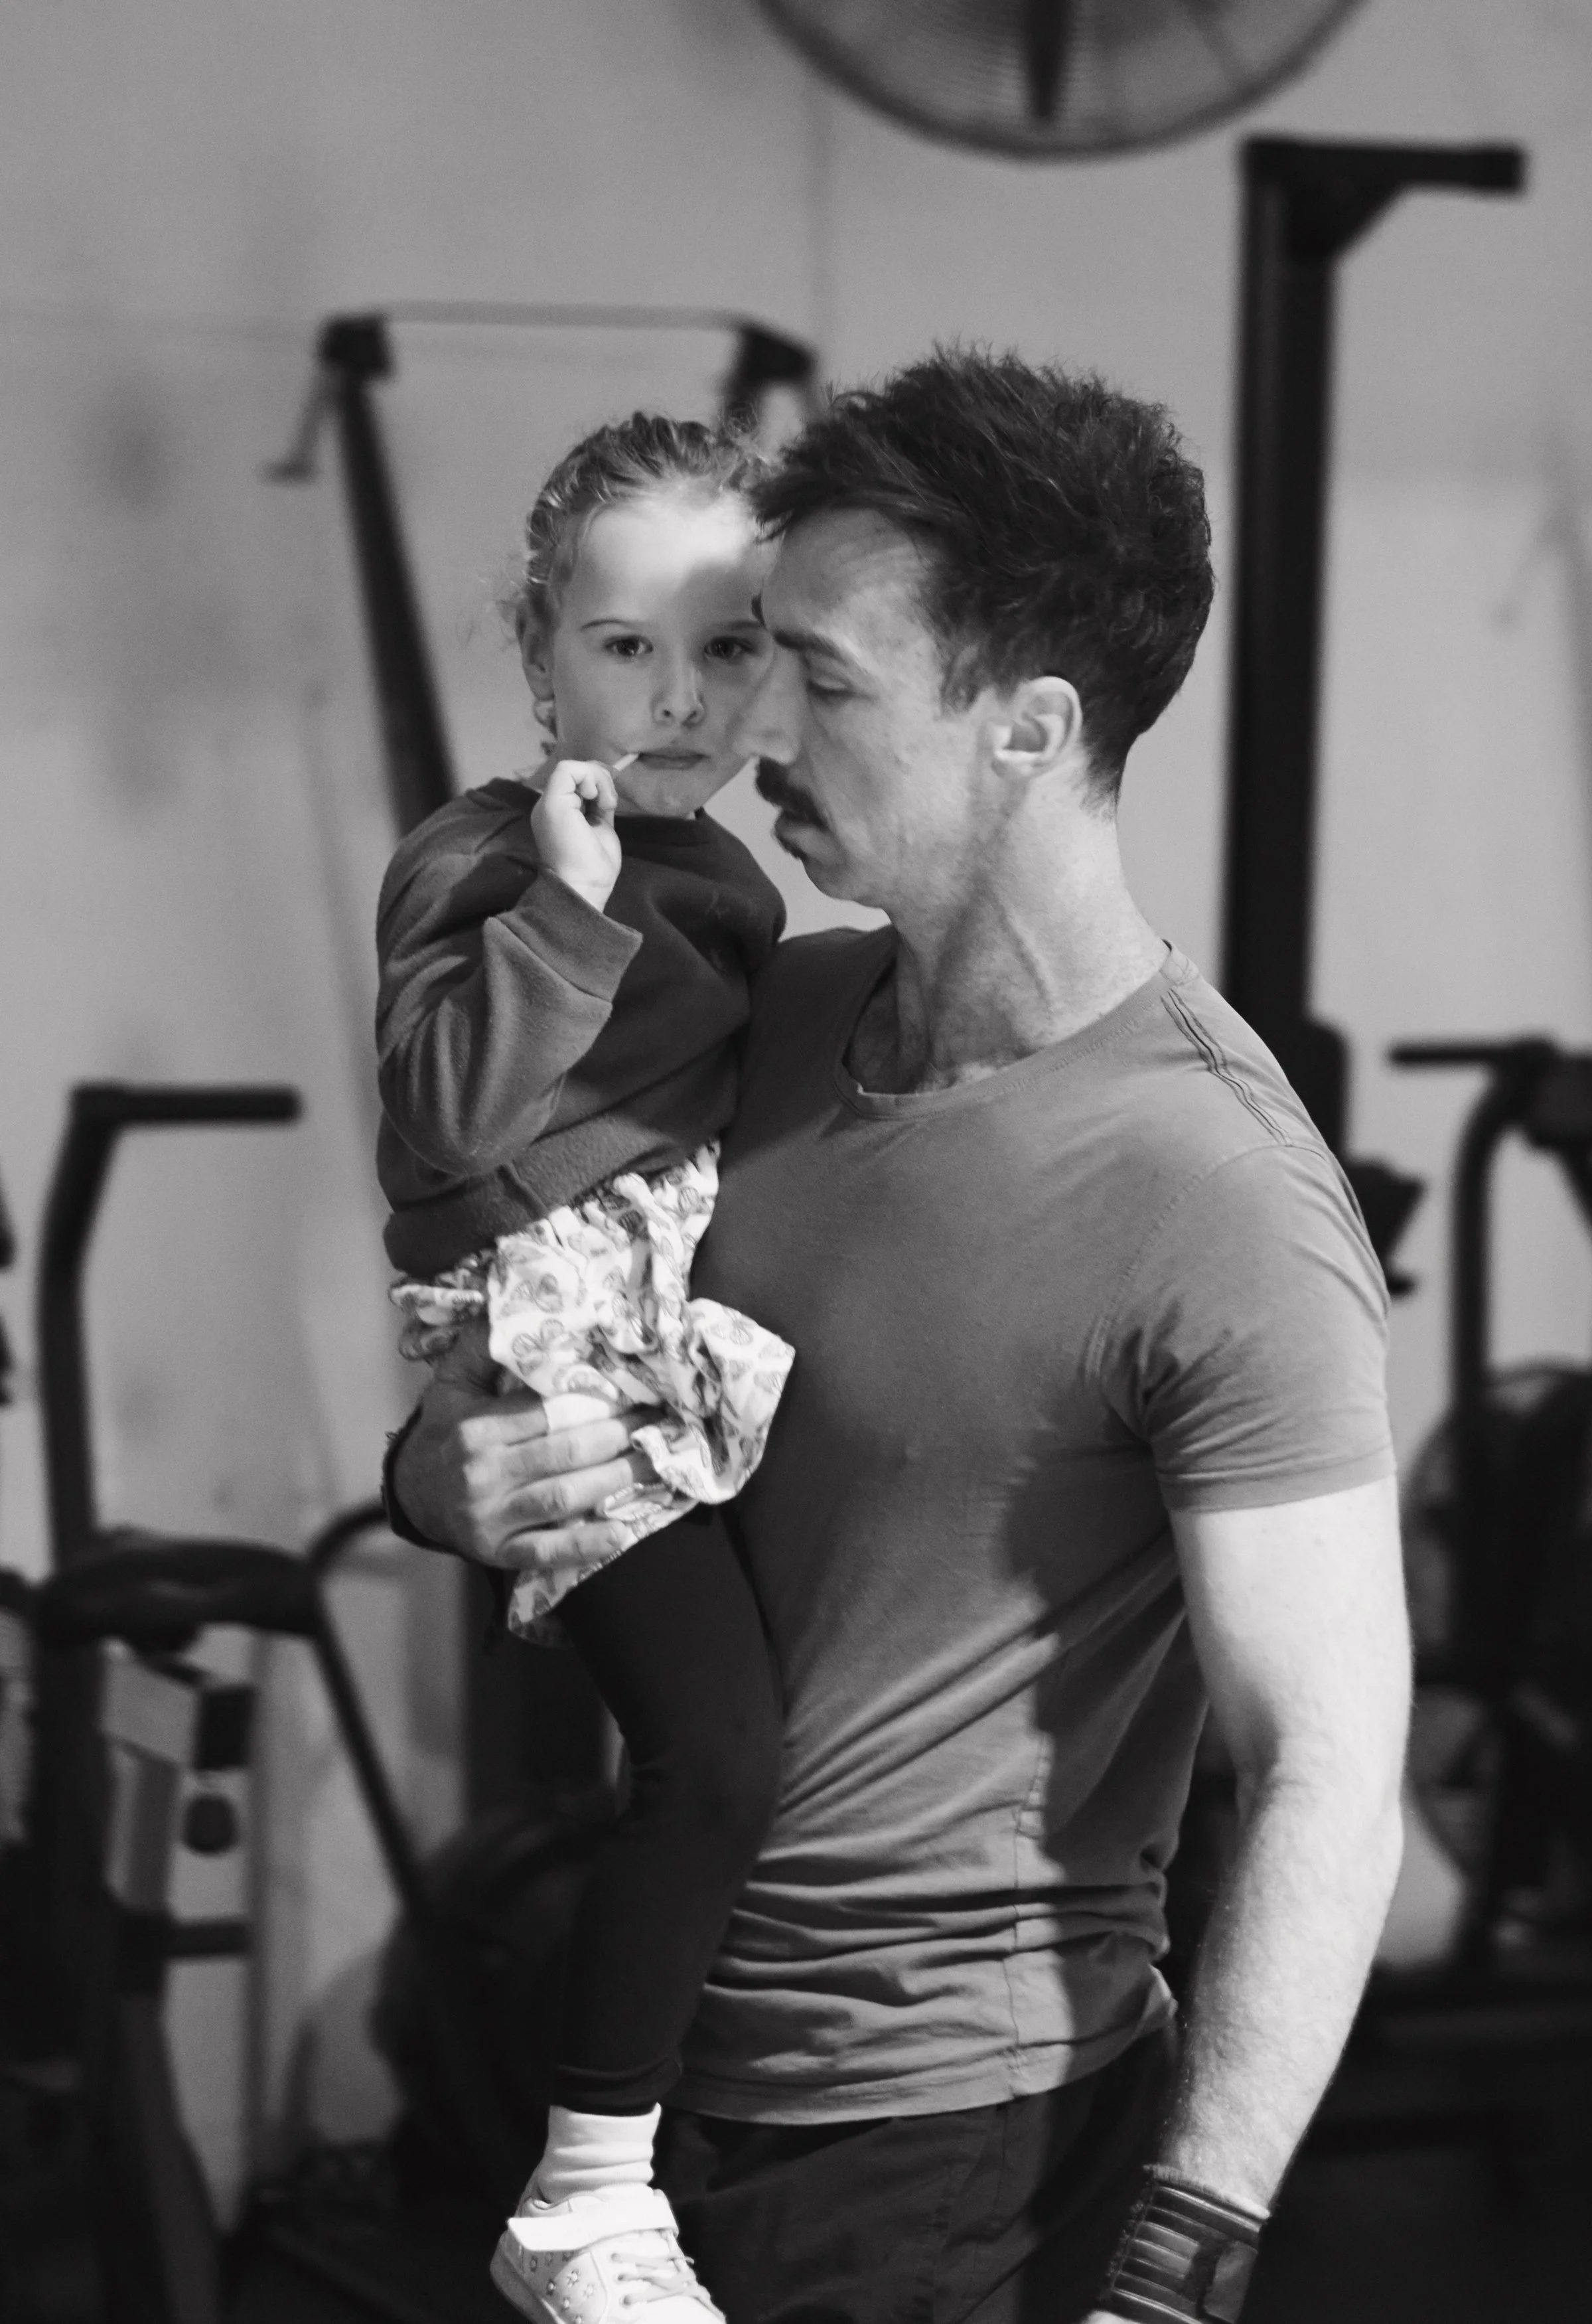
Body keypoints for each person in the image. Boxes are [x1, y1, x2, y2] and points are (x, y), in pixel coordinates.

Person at [386, 350, 1411, 2324]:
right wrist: (433, 1481)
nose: (750, 717)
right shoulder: (740, 1016)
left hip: (954, 2151)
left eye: (824, 679)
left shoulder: (1223, 1193)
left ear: (1025, 728)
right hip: (643, 2078)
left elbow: (1328, 1768)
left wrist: (1178, 2269)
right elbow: (539, 1360)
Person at [376, 413, 795, 2323]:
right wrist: (562, 903)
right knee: (712, 1755)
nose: (684, 691)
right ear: (536, 647)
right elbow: (435, 1133)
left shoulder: (738, 879)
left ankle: (655, 2145)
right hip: (554, 1328)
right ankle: (578, 2189)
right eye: (628, 645)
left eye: (729, 645)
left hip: (669, 1320)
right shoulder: (483, 857)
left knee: (730, 1750)